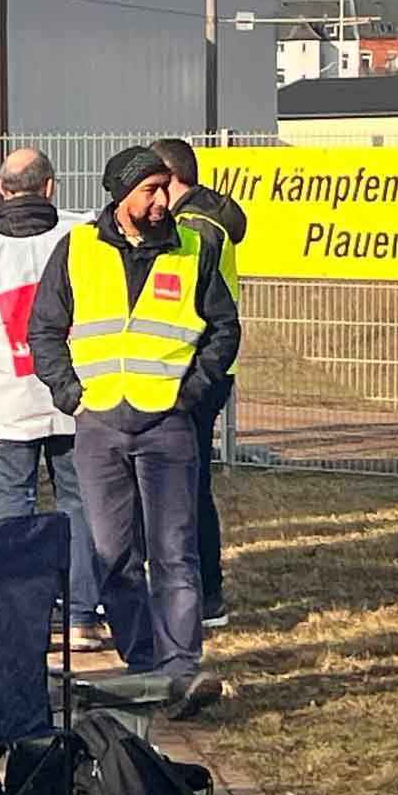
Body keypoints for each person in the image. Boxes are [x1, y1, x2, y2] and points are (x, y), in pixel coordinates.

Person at [28, 147, 239, 719]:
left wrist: (191, 392)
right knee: (113, 554)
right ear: (120, 196)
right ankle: (143, 663)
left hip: (168, 424)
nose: (162, 201)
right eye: (149, 190)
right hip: (98, 426)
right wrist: (70, 395)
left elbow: (224, 328)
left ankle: (179, 670)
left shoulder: (195, 247)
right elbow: (44, 328)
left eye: (165, 189)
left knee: (175, 552)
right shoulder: (77, 249)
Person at [0, 148, 106, 650]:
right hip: (75, 393)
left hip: (6, 397)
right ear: (51, 188)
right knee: (79, 502)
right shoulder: (82, 235)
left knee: (13, 502)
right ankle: (81, 615)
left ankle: (19, 613)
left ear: (0, 189)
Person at [151, 137, 245, 629]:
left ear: (171, 179)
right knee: (190, 482)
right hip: (205, 368)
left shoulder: (193, 229)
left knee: (187, 487)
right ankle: (203, 591)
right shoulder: (212, 217)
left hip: (192, 370)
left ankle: (204, 592)